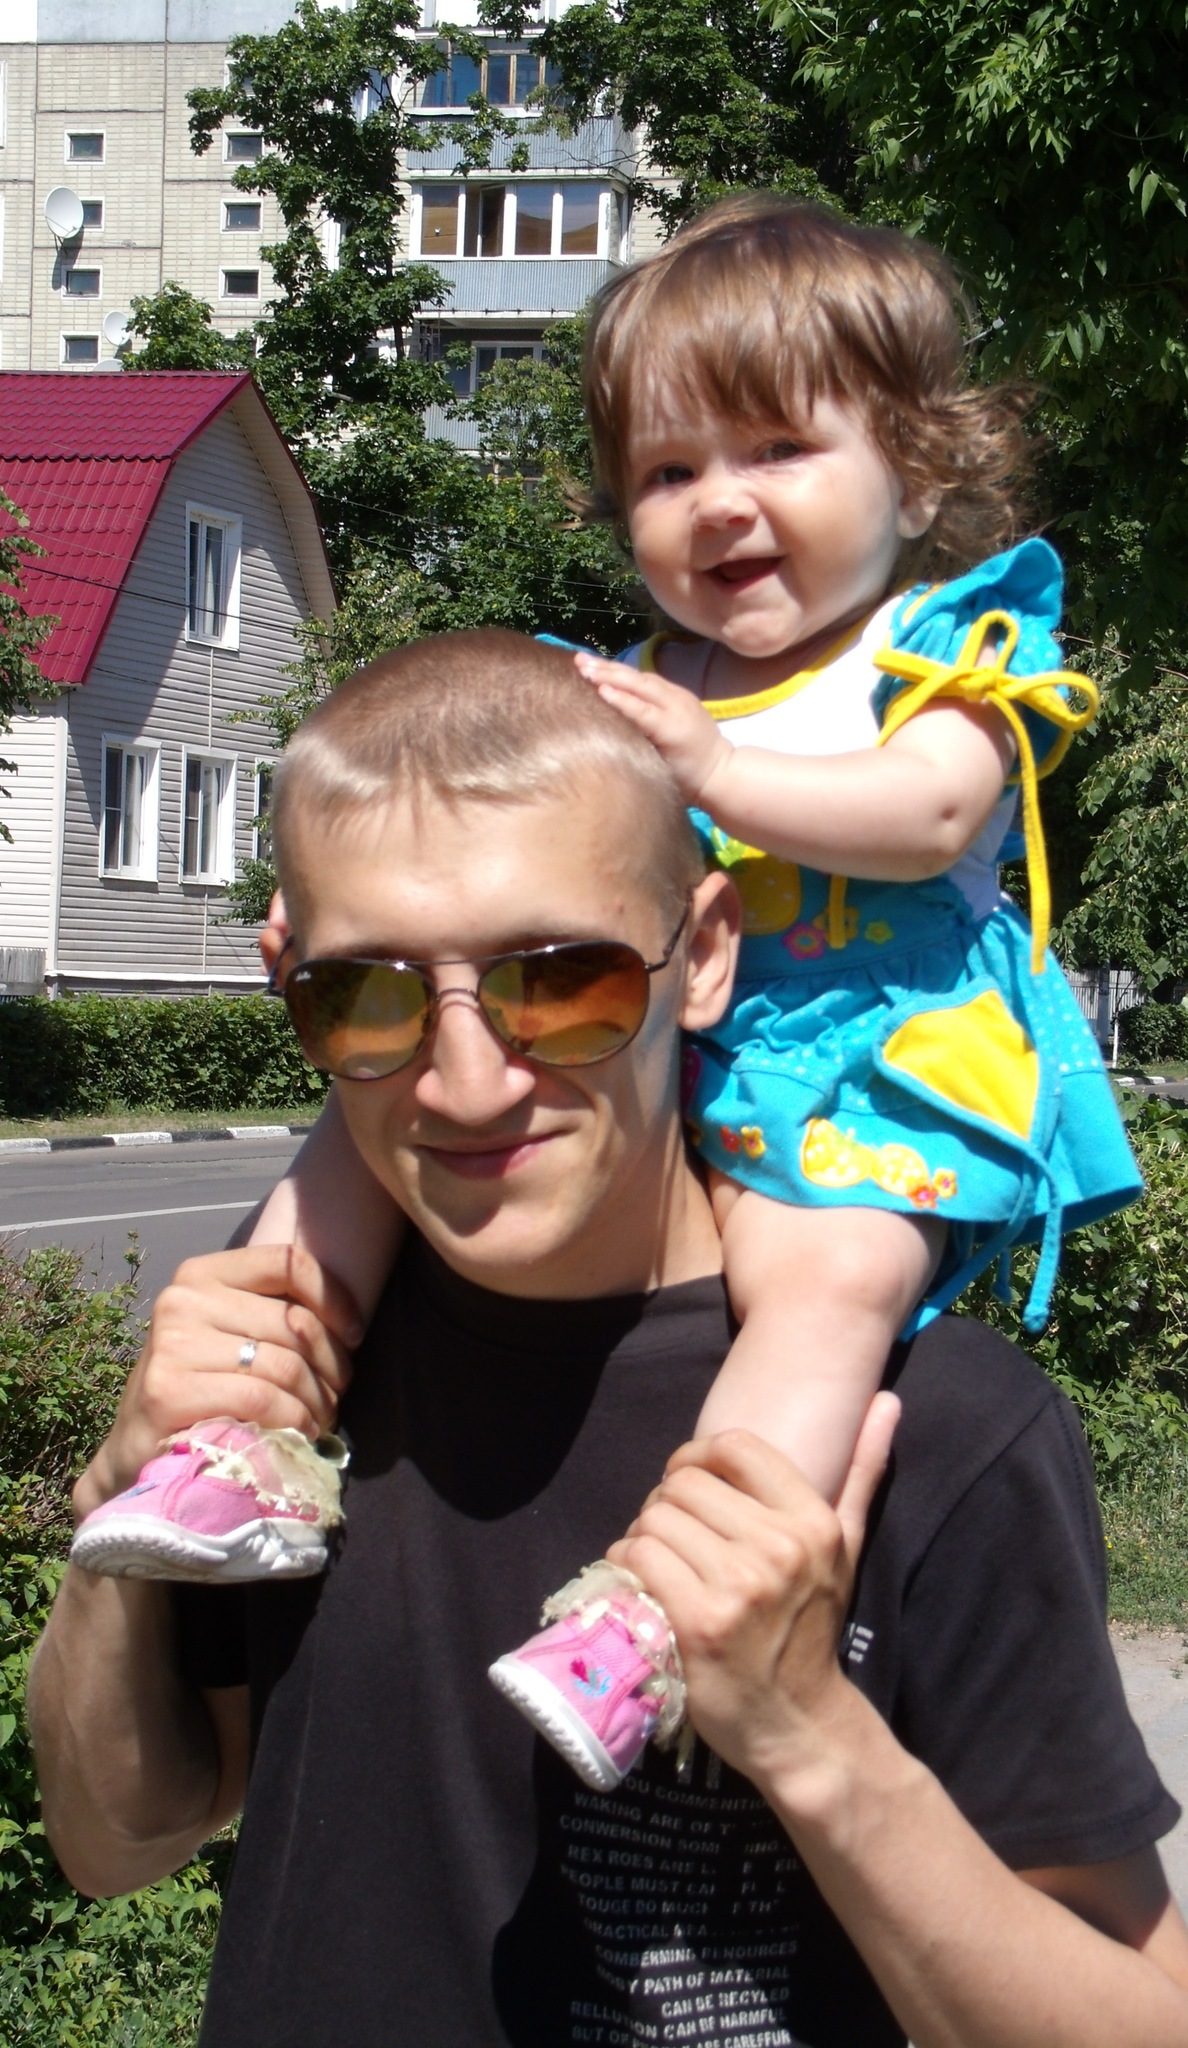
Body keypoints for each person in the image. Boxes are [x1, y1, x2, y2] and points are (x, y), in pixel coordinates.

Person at [69, 198, 1141, 1798]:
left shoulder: (948, 647)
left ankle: (663, 1613)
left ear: (917, 473)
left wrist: (712, 769)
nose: (722, 502)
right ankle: (245, 1438)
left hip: (866, 1063)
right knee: (363, 1129)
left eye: (778, 448)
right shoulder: (637, 678)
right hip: (654, 1046)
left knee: (823, 1292)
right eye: (668, 471)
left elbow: (928, 815)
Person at [28, 631, 1188, 2045]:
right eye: (370, 995)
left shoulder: (930, 1424)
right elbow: (116, 1842)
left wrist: (808, 1737)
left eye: (561, 982)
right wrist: (118, 1511)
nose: (465, 1084)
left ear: (704, 956)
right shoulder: (284, 1356)